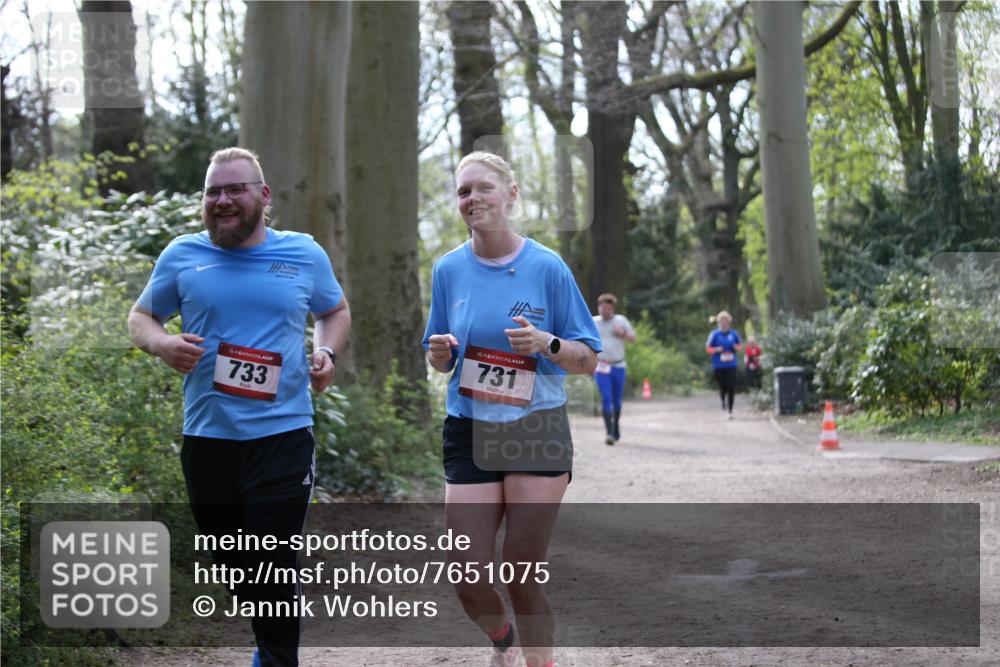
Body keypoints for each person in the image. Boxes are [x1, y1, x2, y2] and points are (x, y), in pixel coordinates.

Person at [127, 147, 351, 667]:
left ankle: (275, 659)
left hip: (283, 434)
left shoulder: (303, 254)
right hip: (209, 436)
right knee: (235, 563)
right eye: (213, 192)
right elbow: (141, 318)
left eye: (234, 189)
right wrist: (163, 345)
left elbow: (334, 309)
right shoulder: (182, 255)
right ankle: (267, 641)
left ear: (263, 196)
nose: (222, 200)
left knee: (273, 563)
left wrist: (326, 351)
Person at [423, 151, 601, 667]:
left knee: (522, 572)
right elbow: (439, 353)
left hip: (534, 426)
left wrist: (548, 345)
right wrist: (440, 354)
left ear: (511, 194)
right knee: (466, 576)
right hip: (470, 425)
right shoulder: (448, 269)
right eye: (462, 192)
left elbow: (587, 358)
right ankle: (503, 639)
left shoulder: (547, 267)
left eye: (483, 188)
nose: (472, 199)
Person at [592, 293, 636, 445]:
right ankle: (609, 432)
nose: (606, 311)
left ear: (613, 309)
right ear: (599, 307)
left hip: (618, 365)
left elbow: (633, 339)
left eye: (609, 308)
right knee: (606, 398)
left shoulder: (621, 320)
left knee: (617, 401)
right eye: (603, 308)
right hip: (602, 365)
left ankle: (616, 425)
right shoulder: (593, 322)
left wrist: (622, 333)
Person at [705, 310, 741, 419]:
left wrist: (735, 348)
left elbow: (739, 347)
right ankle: (723, 400)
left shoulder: (734, 334)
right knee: (723, 387)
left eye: (725, 321)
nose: (724, 323)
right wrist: (716, 349)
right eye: (721, 321)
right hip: (718, 365)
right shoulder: (714, 334)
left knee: (731, 387)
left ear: (728, 322)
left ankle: (730, 410)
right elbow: (708, 349)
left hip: (731, 364)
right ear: (719, 322)